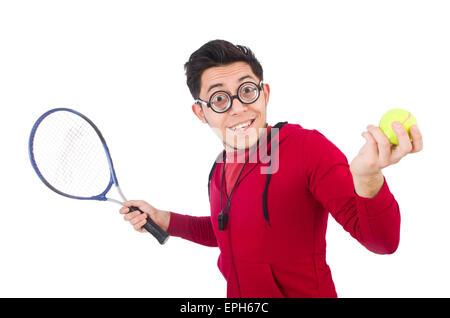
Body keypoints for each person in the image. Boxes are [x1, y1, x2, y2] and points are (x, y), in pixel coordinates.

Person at [119, 40, 423, 298]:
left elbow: (383, 243)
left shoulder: (307, 148)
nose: (238, 108)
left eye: (247, 91)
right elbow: (228, 231)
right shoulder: (218, 170)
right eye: (219, 99)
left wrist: (368, 179)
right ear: (201, 112)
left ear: (264, 93)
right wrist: (166, 220)